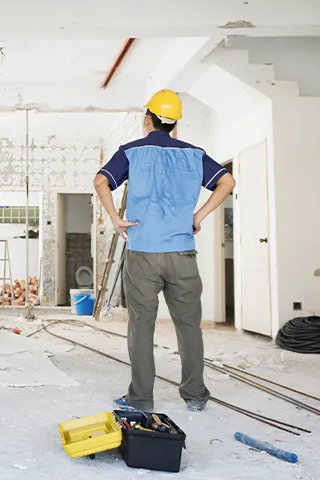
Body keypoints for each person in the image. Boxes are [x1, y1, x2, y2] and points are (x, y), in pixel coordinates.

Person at [93, 89, 235, 412]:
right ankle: (196, 397)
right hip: (182, 253)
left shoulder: (131, 152)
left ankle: (141, 399)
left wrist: (116, 219)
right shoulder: (194, 154)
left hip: (142, 254)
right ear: (175, 125)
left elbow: (101, 181)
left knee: (141, 327)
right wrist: (197, 216)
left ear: (148, 120)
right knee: (188, 326)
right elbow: (227, 182)